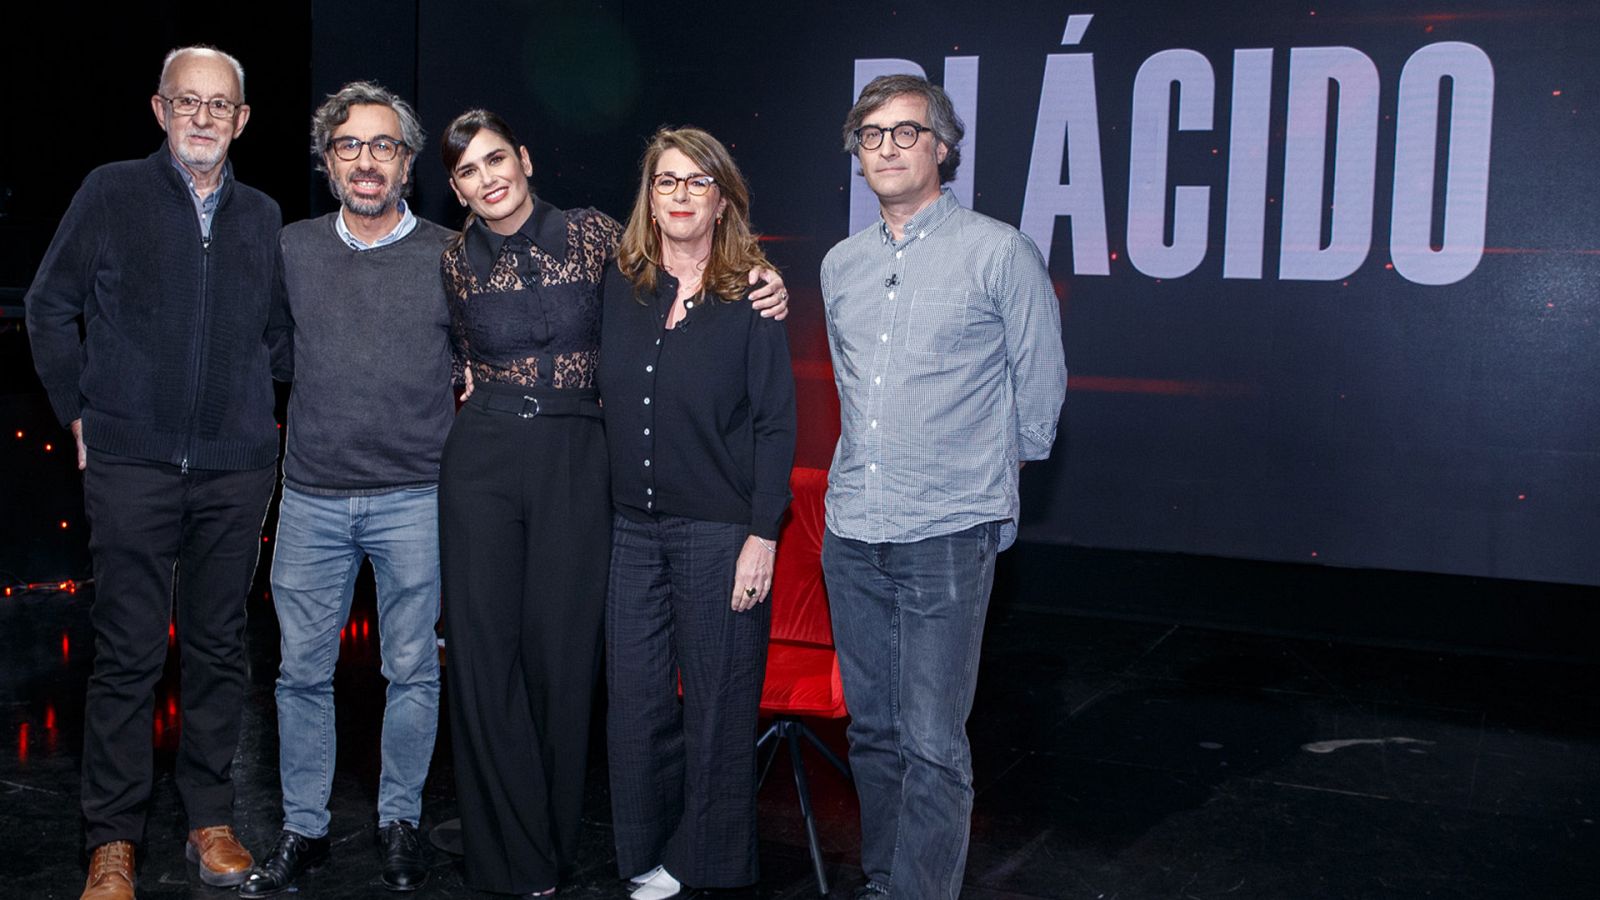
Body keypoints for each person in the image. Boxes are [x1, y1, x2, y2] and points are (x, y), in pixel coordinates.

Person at [436, 110, 789, 898]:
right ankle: (566, 852)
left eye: (498, 158)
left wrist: (765, 278)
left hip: (615, 482)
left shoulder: (599, 243)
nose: (488, 177)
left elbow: (762, 401)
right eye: (467, 170)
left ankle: (648, 854)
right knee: (558, 686)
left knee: (611, 679)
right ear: (456, 187)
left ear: (525, 159)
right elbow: (459, 356)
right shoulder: (466, 261)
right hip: (543, 484)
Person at [24, 46, 287, 900]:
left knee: (217, 650)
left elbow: (280, 340)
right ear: (159, 109)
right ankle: (112, 843)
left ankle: (209, 820)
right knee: (129, 657)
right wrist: (78, 412)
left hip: (234, 472)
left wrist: (256, 410)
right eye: (188, 102)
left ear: (242, 119)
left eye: (221, 105)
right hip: (130, 463)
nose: (204, 117)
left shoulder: (263, 215)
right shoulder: (110, 192)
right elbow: (47, 304)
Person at [819, 74, 1068, 899]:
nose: (886, 147)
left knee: (932, 740)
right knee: (874, 733)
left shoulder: (999, 251)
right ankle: (885, 879)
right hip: (853, 529)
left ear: (943, 147)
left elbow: (1038, 395)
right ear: (858, 155)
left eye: (905, 131)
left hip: (948, 532)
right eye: (871, 134)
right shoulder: (840, 266)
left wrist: (983, 485)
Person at [238, 81, 453, 898]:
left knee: (412, 672)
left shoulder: (448, 253)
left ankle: (399, 824)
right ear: (328, 161)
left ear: (406, 162)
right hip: (314, 498)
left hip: (415, 497)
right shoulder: (291, 248)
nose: (367, 162)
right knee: (298, 675)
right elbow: (271, 350)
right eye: (350, 146)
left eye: (385, 146)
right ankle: (305, 830)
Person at [599, 127, 797, 900]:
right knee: (637, 701)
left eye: (697, 183)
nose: (680, 196)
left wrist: (762, 535)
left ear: (722, 200)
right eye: (666, 182)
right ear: (650, 197)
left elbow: (777, 424)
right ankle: (645, 850)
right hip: (630, 529)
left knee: (717, 707)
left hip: (722, 533)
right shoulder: (621, 283)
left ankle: (703, 860)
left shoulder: (752, 292)